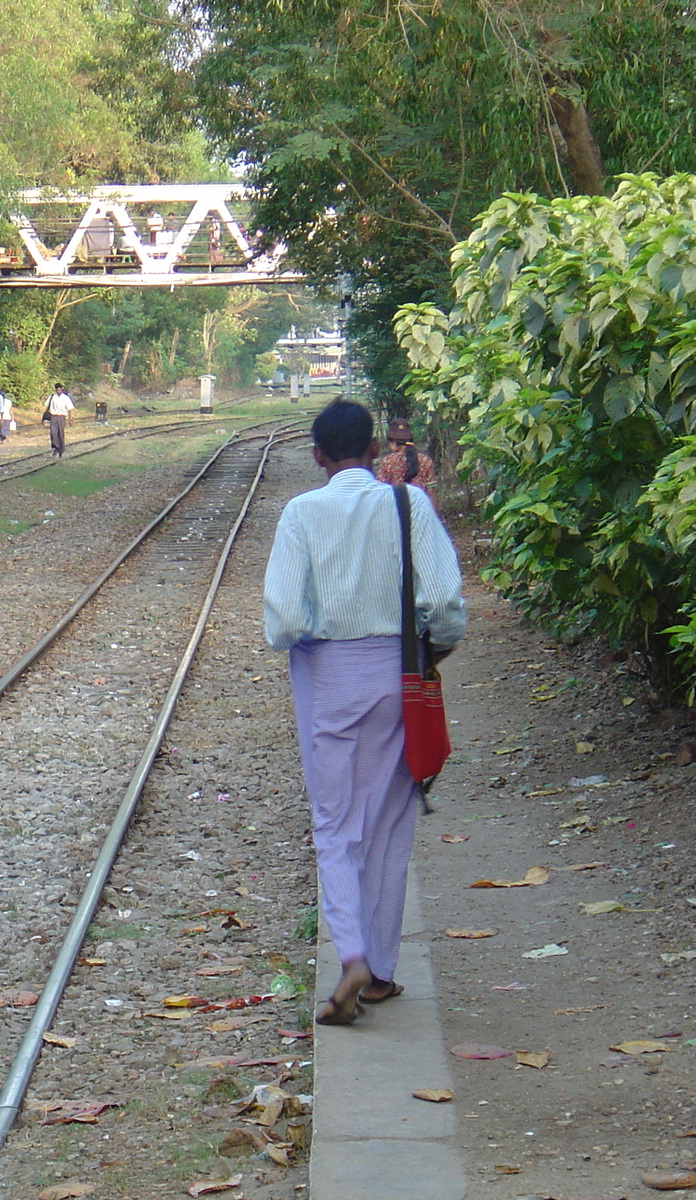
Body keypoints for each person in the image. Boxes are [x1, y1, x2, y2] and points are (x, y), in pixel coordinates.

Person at [263, 400, 465, 1026]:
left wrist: (319, 638)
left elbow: (285, 620)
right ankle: (379, 971)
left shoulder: (301, 512)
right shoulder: (409, 505)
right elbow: (445, 604)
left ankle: (349, 954)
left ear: (318, 455)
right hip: (397, 675)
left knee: (335, 823)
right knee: (388, 821)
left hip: (329, 680)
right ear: (376, 449)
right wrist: (428, 651)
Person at [374, 416, 438, 506]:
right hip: (421, 512)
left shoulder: (387, 462)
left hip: (397, 514)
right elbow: (431, 493)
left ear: (394, 442)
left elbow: (380, 492)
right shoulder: (425, 461)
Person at [44, 383, 75, 458]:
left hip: (61, 417)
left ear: (62, 389)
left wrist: (70, 419)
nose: (58, 391)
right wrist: (44, 418)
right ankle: (56, 448)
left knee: (60, 433)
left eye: (60, 390)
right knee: (53, 433)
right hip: (53, 416)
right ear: (55, 390)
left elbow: (70, 409)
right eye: (57, 390)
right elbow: (46, 407)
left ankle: (61, 449)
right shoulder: (52, 397)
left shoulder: (65, 398)